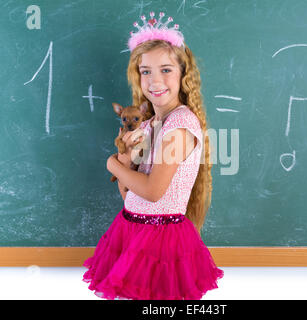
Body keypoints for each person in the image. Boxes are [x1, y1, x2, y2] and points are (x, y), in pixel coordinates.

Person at [82, 11, 223, 300]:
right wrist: (124, 159)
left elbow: (153, 190)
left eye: (166, 70)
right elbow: (127, 190)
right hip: (132, 228)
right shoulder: (148, 124)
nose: (154, 80)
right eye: (146, 71)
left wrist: (111, 162)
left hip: (161, 239)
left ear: (184, 75)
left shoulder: (179, 126)